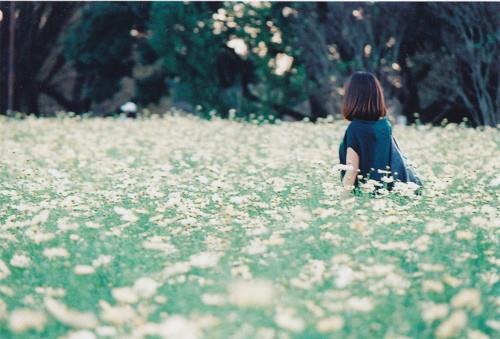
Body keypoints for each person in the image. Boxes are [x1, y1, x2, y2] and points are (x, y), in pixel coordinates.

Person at [338, 71, 394, 193]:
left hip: (363, 198)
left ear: (352, 97)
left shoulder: (355, 128)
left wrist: (341, 203)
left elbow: (352, 170)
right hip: (385, 195)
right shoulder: (385, 125)